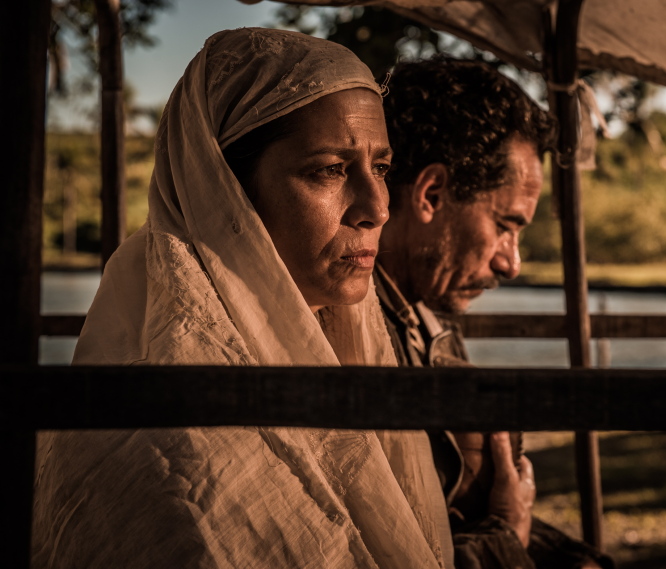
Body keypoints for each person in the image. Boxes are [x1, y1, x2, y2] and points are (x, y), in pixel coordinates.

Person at [32, 29, 455, 569]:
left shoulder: (339, 355)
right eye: (329, 169)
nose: (377, 206)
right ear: (223, 190)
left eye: (381, 168)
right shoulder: (154, 440)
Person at [376, 57, 614, 569]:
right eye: (505, 224)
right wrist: (506, 535)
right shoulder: (346, 332)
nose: (512, 262)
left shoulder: (424, 318)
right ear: (431, 193)